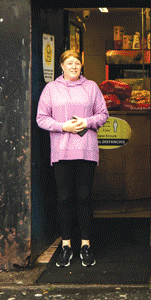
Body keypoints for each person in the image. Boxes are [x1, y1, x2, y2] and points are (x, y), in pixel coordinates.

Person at [36, 49, 109, 267]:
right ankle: (66, 246)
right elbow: (41, 118)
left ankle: (86, 245)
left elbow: (103, 114)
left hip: (86, 150)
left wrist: (87, 122)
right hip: (61, 151)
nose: (74, 66)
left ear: (81, 65)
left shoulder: (91, 87)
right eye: (69, 63)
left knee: (85, 197)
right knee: (65, 198)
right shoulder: (51, 89)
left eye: (77, 62)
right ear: (62, 66)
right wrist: (62, 126)